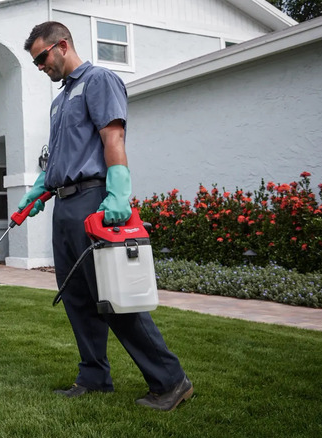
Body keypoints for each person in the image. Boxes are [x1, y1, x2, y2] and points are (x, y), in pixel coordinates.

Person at [20, 21, 193, 411]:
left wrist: (118, 193)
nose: (40, 67)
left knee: (114, 297)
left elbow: (112, 138)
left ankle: (170, 381)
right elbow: (62, 155)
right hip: (64, 204)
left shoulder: (100, 80)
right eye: (35, 63)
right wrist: (39, 189)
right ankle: (94, 377)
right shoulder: (59, 99)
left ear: (62, 46)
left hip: (94, 199)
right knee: (76, 296)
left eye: (42, 58)